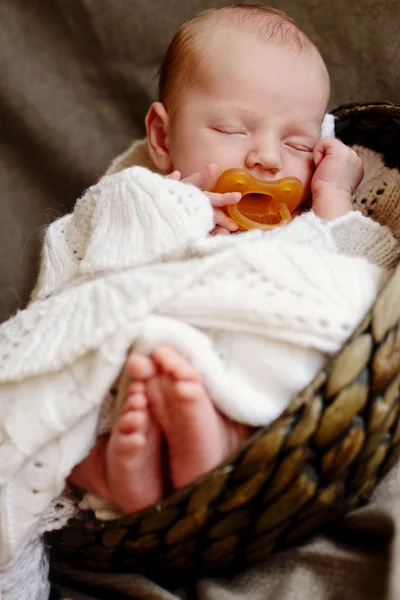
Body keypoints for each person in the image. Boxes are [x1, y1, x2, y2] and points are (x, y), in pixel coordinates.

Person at [63, 4, 397, 516]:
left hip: (259, 392)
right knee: (74, 412)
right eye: (232, 129)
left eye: (297, 142)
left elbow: (361, 284)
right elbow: (88, 284)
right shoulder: (139, 201)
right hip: (141, 364)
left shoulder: (305, 220)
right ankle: (111, 468)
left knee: (286, 358)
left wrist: (333, 198)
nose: (266, 157)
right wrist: (170, 220)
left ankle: (211, 445)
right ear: (161, 137)